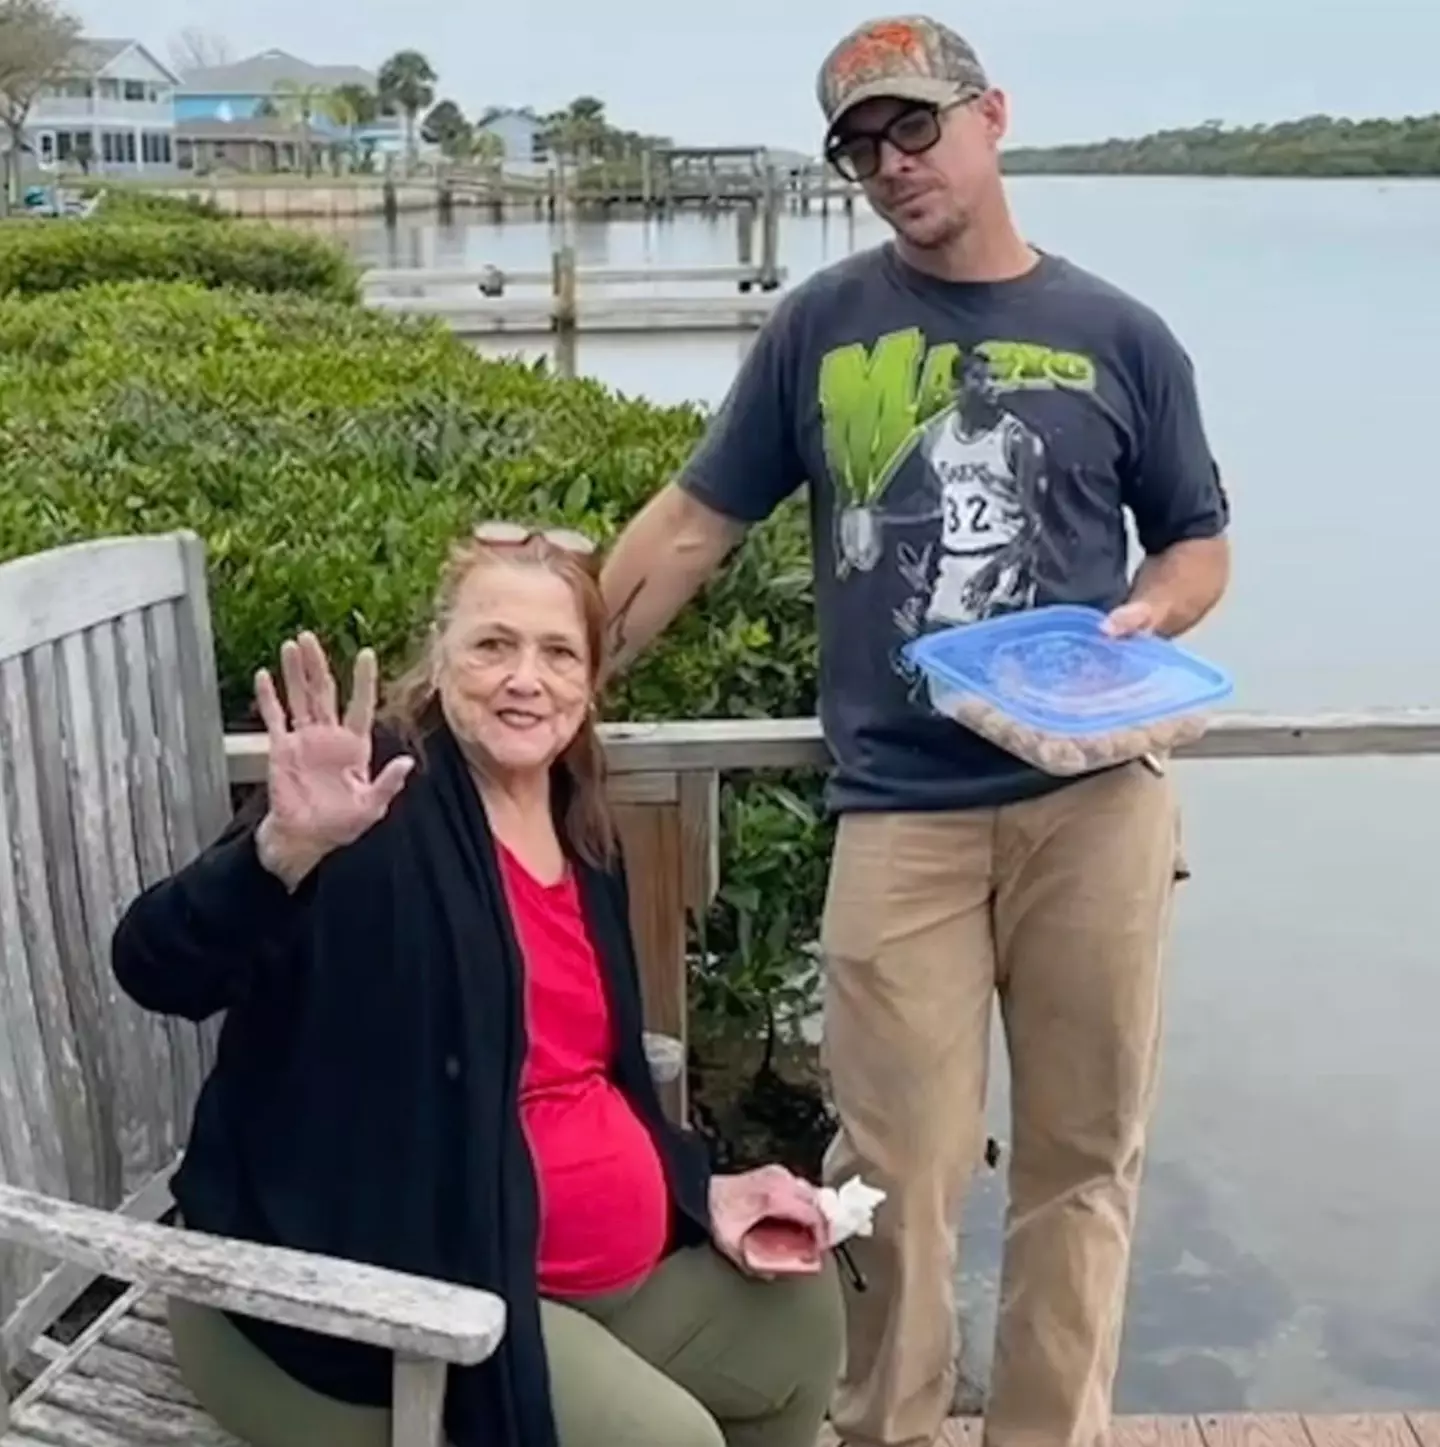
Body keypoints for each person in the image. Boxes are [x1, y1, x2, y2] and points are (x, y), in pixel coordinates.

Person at [597, 15, 1232, 1447]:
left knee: (1085, 1154)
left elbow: (1197, 543)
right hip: (900, 809)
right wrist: (563, 676)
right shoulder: (819, 325)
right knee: (890, 1161)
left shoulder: (1124, 333)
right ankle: (882, 1425)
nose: (890, 165)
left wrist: (1147, 621)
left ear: (991, 116)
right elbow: (697, 522)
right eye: (859, 147)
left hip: (1099, 798)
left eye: (914, 128)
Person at [110, 522, 845, 1447]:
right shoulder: (373, 807)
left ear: (590, 681)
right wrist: (280, 852)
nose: (524, 678)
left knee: (800, 1317)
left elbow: (599, 1072)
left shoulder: (577, 820)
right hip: (383, 1306)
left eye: (557, 653)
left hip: (559, 1278)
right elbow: (155, 966)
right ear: (441, 657)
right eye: (493, 644)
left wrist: (701, 1187)